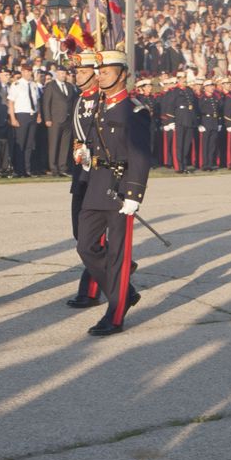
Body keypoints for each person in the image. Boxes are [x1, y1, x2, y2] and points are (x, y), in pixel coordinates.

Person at [74, 49, 150, 336]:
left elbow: (140, 156)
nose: (100, 74)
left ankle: (115, 314)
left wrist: (135, 194)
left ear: (122, 74)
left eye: (106, 70)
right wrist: (84, 153)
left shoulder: (134, 111)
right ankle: (124, 292)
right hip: (95, 183)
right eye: (99, 70)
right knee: (86, 246)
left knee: (118, 254)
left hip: (120, 188)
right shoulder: (99, 106)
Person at [65, 50, 103, 308]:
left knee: (93, 239)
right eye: (76, 71)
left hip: (100, 176)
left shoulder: (105, 99)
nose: (77, 75)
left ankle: (90, 290)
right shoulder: (79, 100)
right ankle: (116, 262)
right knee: (80, 234)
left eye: (82, 71)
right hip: (81, 174)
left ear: (96, 73)